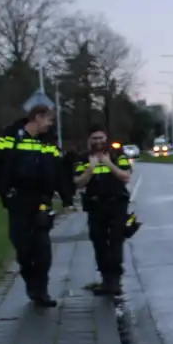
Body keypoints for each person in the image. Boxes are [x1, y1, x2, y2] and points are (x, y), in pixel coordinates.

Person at [0, 105, 73, 307]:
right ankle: (30, 281)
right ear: (36, 118)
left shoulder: (48, 141)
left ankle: (41, 291)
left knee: (42, 247)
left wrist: (66, 198)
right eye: (48, 120)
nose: (50, 124)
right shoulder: (9, 137)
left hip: (41, 200)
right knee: (23, 246)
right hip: (17, 200)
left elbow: (57, 171)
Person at [74, 126, 133, 295]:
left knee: (115, 242)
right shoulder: (83, 158)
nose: (98, 142)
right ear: (89, 141)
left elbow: (126, 176)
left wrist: (108, 164)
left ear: (106, 138)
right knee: (99, 242)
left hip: (117, 204)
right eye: (94, 138)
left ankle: (115, 281)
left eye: (101, 138)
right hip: (95, 205)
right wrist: (90, 169)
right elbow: (78, 182)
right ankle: (105, 279)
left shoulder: (117, 155)